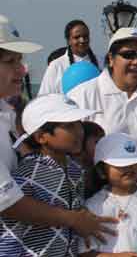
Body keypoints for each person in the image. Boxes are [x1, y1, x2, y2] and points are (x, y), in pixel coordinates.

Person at [0, 14, 116, 248]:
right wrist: (73, 219)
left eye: (19, 61)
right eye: (11, 61)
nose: (21, 70)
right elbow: (7, 202)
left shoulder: (6, 114)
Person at [0, 94, 97, 256]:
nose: (79, 131)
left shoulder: (76, 171)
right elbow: (9, 232)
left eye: (78, 123)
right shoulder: (26, 174)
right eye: (69, 126)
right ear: (41, 137)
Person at [79, 132, 137, 257]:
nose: (129, 167)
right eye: (122, 164)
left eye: (134, 162)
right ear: (101, 171)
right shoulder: (92, 206)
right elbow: (85, 252)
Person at [39, 20, 101, 96]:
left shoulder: (102, 62)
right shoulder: (56, 65)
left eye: (85, 36)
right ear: (68, 40)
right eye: (77, 37)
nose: (82, 40)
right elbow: (44, 97)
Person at [79, 122, 106, 200]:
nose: (102, 146)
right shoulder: (73, 172)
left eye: (104, 142)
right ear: (80, 143)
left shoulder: (102, 169)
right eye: (97, 142)